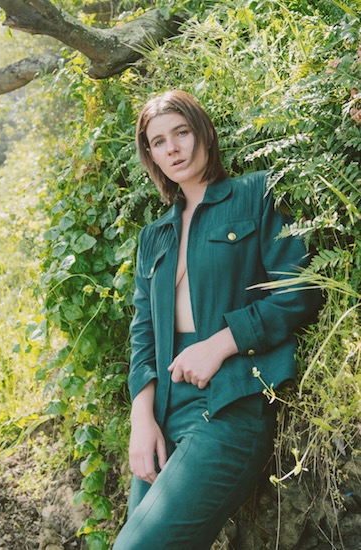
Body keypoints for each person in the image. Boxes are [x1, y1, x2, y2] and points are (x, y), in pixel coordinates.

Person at [113, 90, 321, 549]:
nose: (173, 148)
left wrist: (221, 343)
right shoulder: (154, 236)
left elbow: (300, 290)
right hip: (164, 415)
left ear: (203, 132)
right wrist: (141, 419)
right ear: (151, 155)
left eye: (182, 132)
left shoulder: (256, 195)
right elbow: (143, 334)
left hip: (230, 407)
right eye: (159, 141)